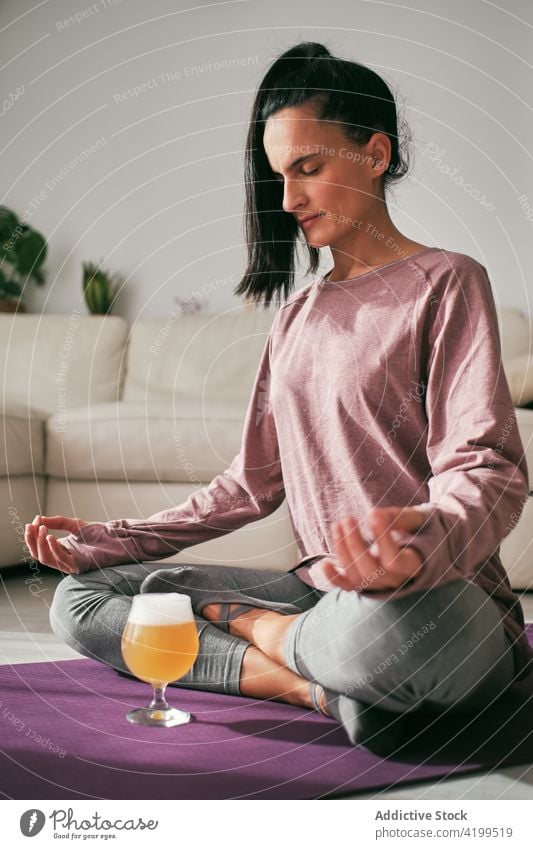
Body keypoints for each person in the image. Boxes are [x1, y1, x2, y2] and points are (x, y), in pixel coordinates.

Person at [25, 41, 532, 753]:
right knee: (81, 600)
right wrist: (114, 539)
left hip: (435, 604)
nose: (288, 198)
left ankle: (275, 636)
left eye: (309, 168)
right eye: (278, 175)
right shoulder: (297, 314)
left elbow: (487, 465)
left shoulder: (446, 282)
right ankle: (313, 686)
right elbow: (250, 482)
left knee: (384, 637)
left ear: (374, 154)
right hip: (326, 595)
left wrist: (416, 549)